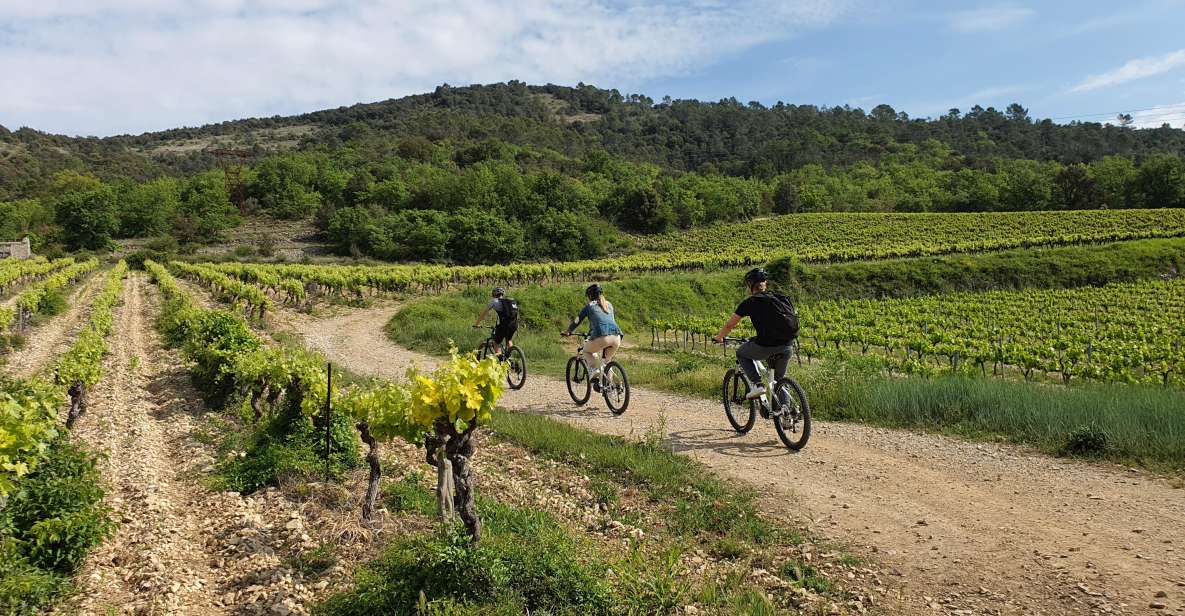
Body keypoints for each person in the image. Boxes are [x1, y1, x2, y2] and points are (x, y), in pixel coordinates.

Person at [712, 268, 799, 401]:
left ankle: (758, 385)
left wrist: (719, 337)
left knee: (741, 353)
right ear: (765, 284)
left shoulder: (749, 303)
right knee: (779, 381)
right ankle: (787, 413)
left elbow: (730, 325)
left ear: (750, 286)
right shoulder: (780, 298)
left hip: (766, 345)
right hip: (787, 345)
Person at [562, 284, 623, 387]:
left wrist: (568, 331)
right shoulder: (609, 304)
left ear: (590, 296)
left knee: (586, 351)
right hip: (616, 337)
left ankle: (594, 370)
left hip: (603, 337)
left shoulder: (589, 306)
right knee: (607, 361)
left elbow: (577, 320)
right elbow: (607, 320)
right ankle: (610, 385)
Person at [474, 287, 519, 358]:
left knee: (496, 342)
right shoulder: (510, 301)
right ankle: (512, 359)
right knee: (509, 340)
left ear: (494, 294)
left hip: (505, 325)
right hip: (514, 324)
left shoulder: (494, 301)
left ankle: (501, 358)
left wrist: (477, 324)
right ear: (502, 294)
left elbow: (483, 313)